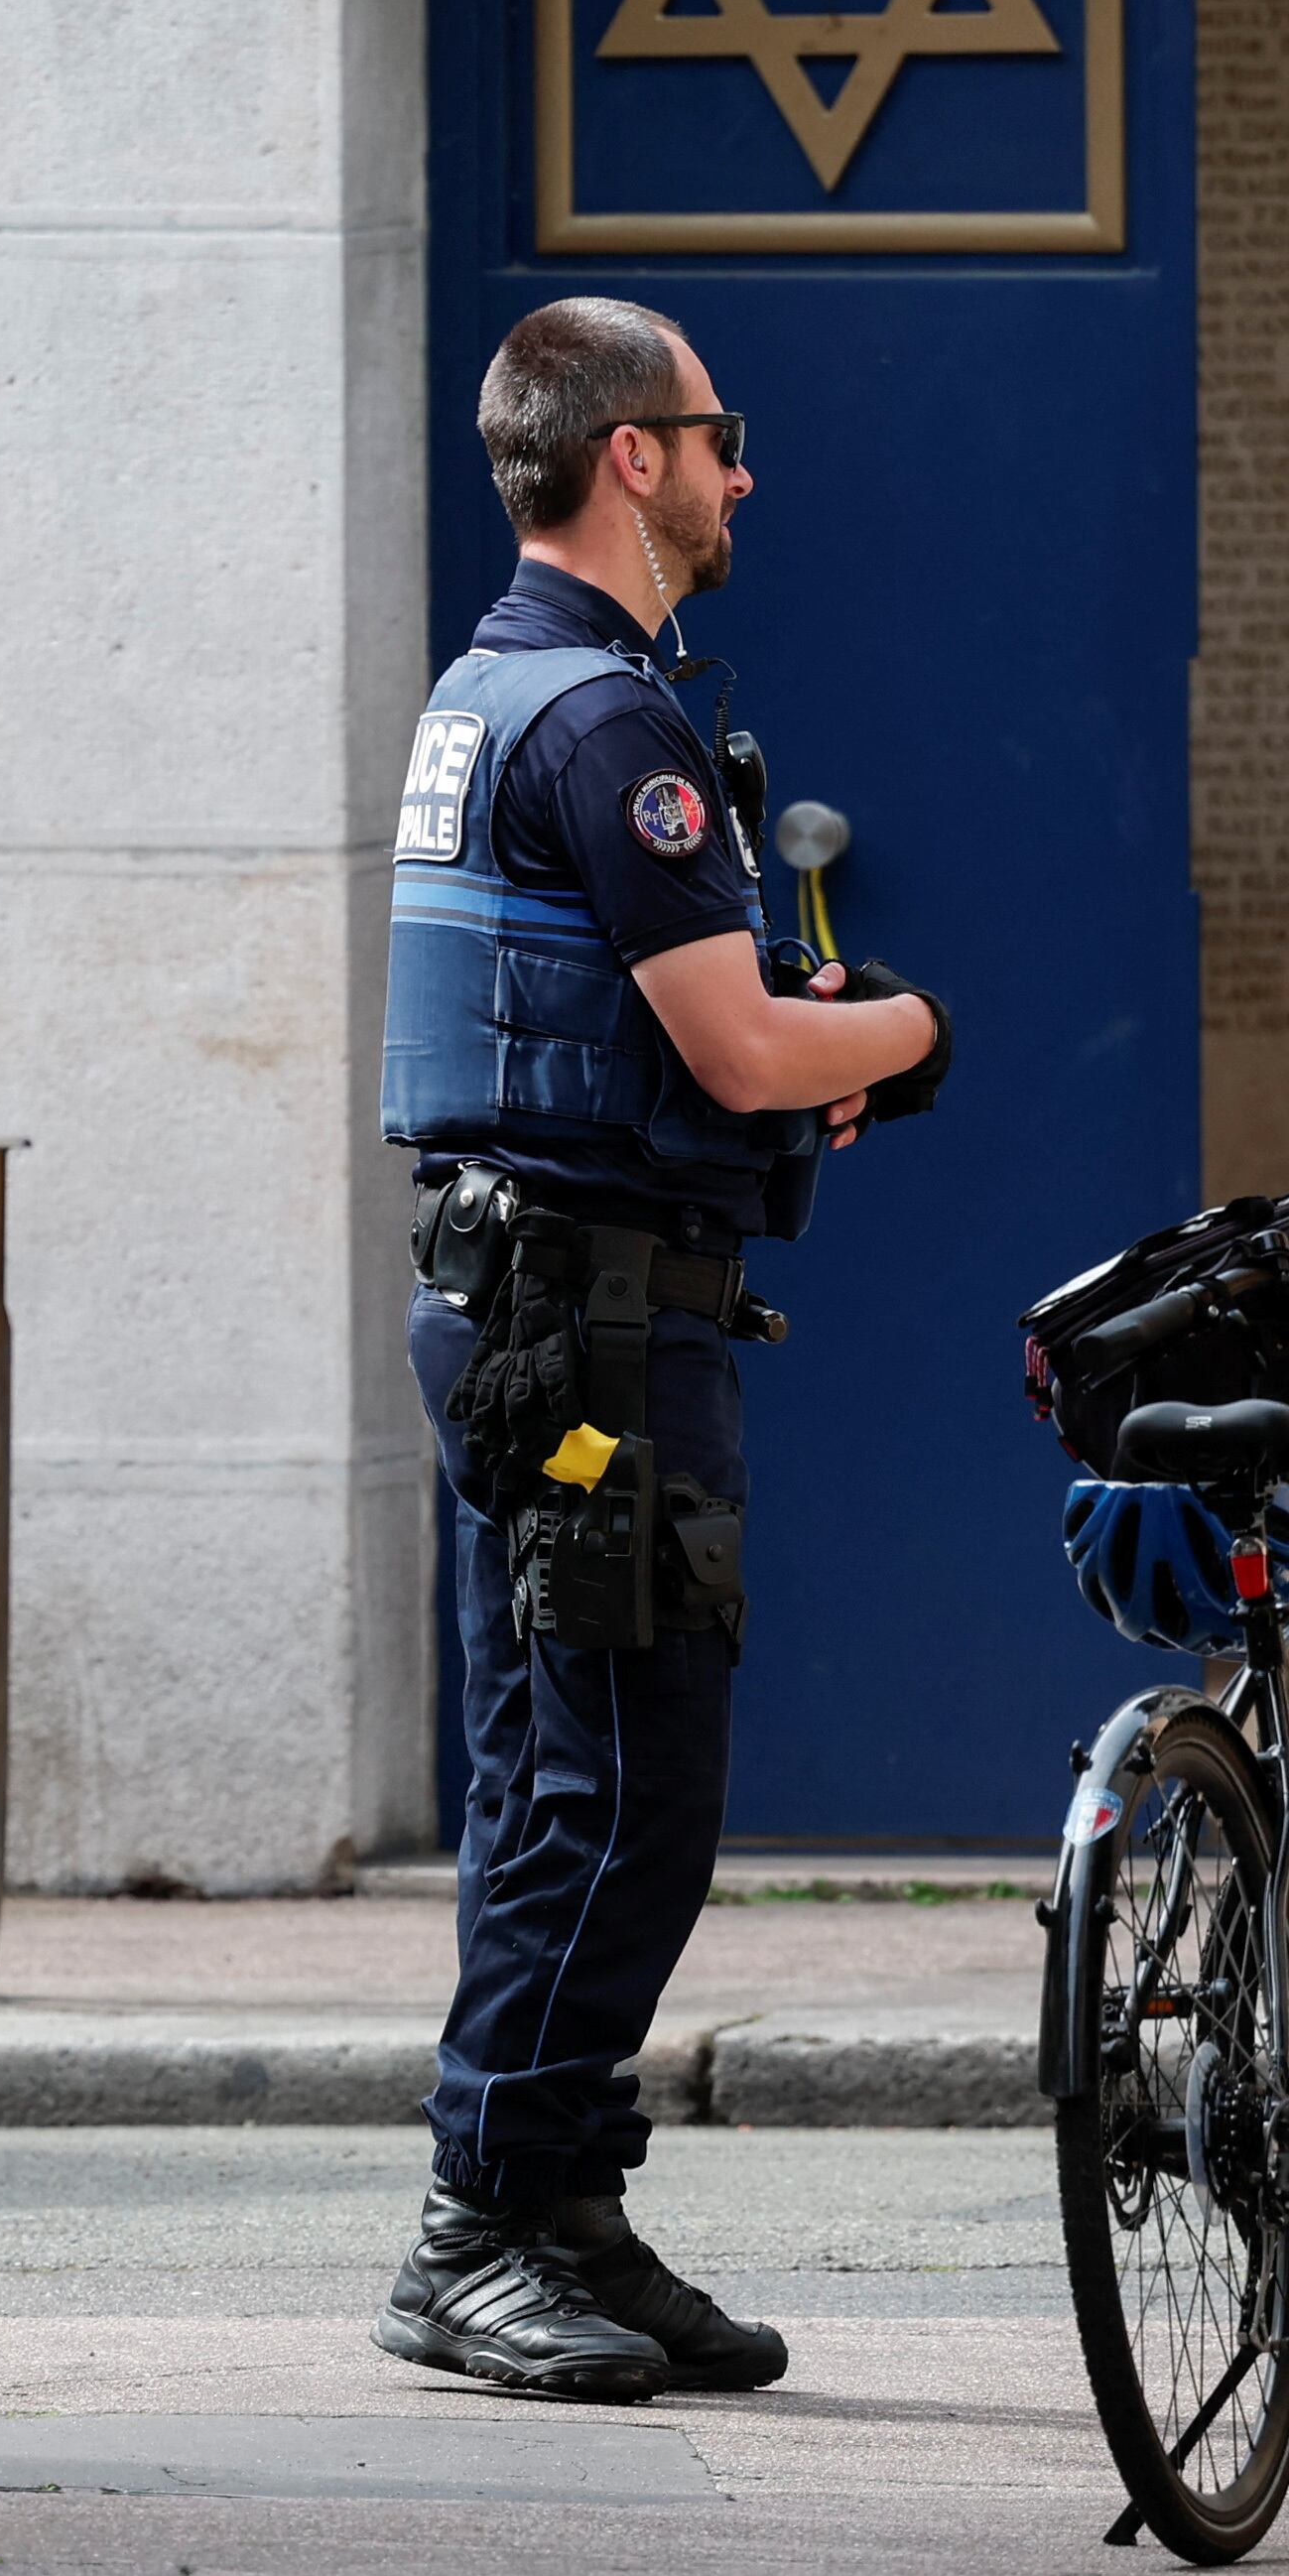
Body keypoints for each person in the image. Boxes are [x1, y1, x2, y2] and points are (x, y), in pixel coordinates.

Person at [374, 297, 951, 2403]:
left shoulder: (492, 690)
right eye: (719, 436)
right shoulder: (603, 724)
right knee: (622, 1786)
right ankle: (483, 2224)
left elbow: (661, 1041)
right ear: (633, 455)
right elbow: (734, 1034)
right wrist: (904, 1028)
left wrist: (783, 1062)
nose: (739, 474)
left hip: (541, 1307)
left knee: (569, 1770)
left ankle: (562, 2208)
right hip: (592, 1332)